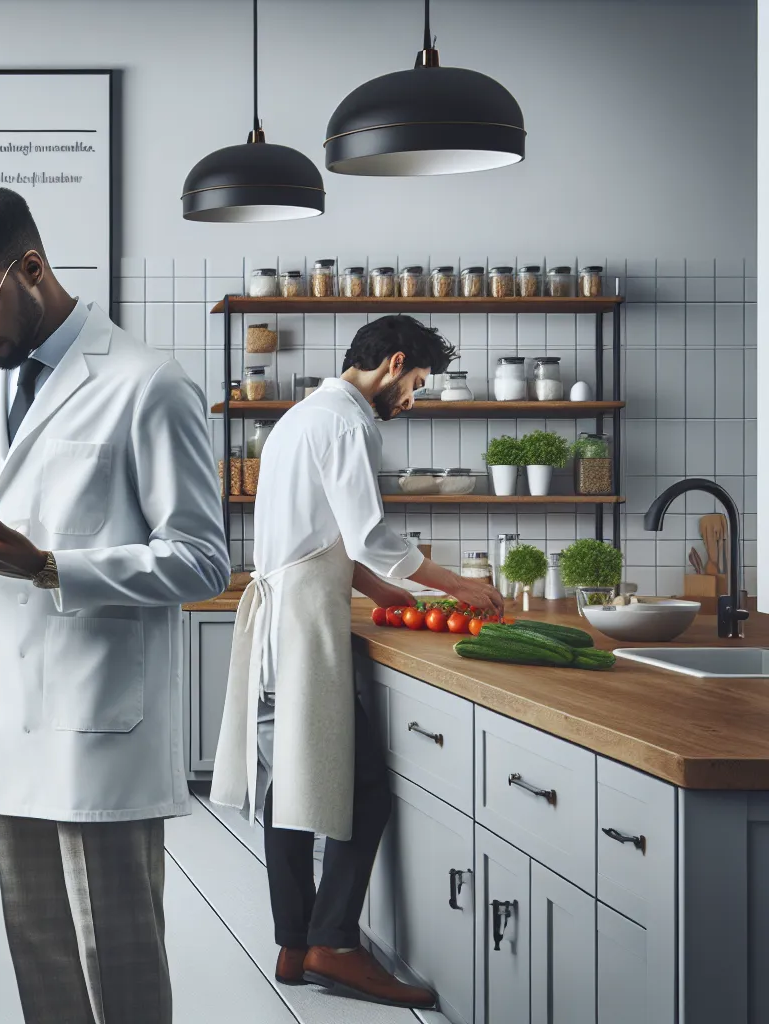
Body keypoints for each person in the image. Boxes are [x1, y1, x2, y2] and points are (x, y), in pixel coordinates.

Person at [0, 186, 230, 1024]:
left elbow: (202, 560)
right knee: (40, 957)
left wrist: (52, 567)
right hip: (5, 719)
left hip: (98, 724)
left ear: (33, 269)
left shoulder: (147, 383)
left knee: (116, 956)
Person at [210, 315, 505, 1008]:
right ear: (394, 362)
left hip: (287, 608)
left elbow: (332, 539)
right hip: (306, 621)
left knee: (288, 781)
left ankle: (293, 942)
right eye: (416, 384)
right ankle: (334, 943)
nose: (413, 399)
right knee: (363, 787)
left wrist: (391, 594)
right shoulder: (349, 423)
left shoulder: (300, 417)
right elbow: (368, 535)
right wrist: (457, 586)